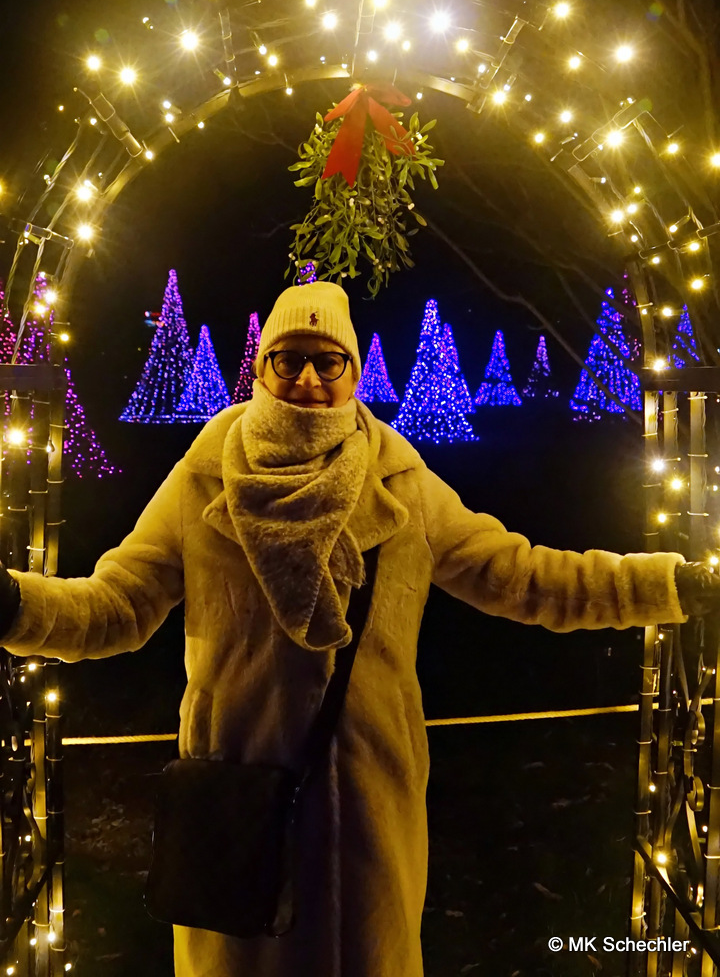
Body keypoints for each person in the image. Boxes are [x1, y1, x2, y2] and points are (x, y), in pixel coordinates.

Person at [0, 280, 715, 977]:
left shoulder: (401, 481)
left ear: (353, 372)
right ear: (262, 369)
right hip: (241, 803)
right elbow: (118, 605)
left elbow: (523, 577)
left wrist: (667, 585)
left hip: (372, 799)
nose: (308, 379)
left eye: (329, 360)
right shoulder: (202, 479)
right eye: (289, 359)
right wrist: (15, 605)